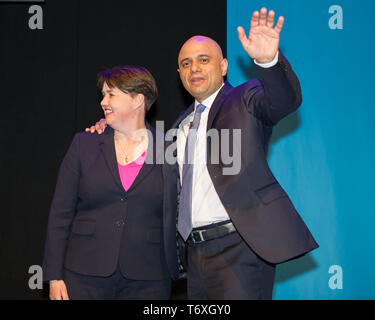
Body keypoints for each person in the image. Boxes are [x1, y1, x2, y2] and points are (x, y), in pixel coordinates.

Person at [89, 8, 318, 299]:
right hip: (194, 257)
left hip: (241, 248)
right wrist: (111, 127)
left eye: (203, 60)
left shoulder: (245, 99)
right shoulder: (178, 127)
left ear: (223, 66)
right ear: (179, 74)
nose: (194, 68)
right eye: (186, 63)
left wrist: (267, 61)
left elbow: (283, 100)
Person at [43, 65, 178, 300]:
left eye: (111, 94)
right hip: (84, 274)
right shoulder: (84, 144)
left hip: (149, 278)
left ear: (137, 100)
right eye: (103, 94)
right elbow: (60, 214)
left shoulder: (168, 150)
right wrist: (54, 276)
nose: (103, 101)